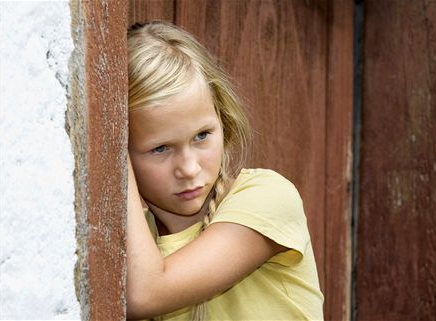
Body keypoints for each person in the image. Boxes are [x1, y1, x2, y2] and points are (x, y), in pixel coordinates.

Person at [126, 21, 324, 321]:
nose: (190, 169)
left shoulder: (267, 199)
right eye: (160, 148)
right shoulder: (139, 244)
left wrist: (115, 156)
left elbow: (144, 295)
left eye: (202, 135)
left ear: (224, 121)